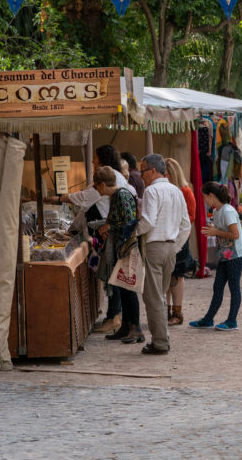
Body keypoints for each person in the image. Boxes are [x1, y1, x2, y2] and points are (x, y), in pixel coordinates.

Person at [47, 144, 135, 334]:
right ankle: (120, 319)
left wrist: (54, 199)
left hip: (117, 240)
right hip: (112, 237)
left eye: (95, 157)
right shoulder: (115, 180)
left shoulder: (113, 185)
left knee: (115, 277)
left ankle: (118, 318)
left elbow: (127, 218)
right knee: (115, 278)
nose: (93, 161)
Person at [135, 154, 191, 354]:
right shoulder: (176, 190)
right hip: (170, 248)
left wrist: (133, 231)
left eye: (142, 171)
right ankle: (162, 337)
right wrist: (175, 246)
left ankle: (159, 342)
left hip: (155, 246)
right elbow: (186, 224)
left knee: (154, 297)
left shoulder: (152, 190)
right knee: (159, 295)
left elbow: (148, 221)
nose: (141, 176)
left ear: (152, 170)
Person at [91, 167, 143, 344]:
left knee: (128, 289)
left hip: (126, 248)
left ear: (103, 184)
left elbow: (129, 221)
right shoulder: (115, 196)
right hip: (120, 248)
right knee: (122, 287)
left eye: (97, 186)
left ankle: (136, 328)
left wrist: (110, 227)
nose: (97, 190)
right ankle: (126, 326)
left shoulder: (122, 195)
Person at [190, 182, 242, 331]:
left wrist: (215, 232)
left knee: (233, 287)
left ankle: (231, 321)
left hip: (235, 254)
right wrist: (215, 230)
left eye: (204, 197)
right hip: (226, 253)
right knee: (218, 286)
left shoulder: (227, 211)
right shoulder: (218, 211)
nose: (204, 200)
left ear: (211, 196)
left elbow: (235, 234)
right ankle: (208, 319)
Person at [164, 158, 196, 326]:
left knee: (177, 275)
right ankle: (166, 310)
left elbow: (191, 216)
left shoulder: (185, 191)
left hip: (180, 237)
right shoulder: (164, 190)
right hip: (166, 236)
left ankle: (177, 311)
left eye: (166, 174)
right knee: (166, 275)